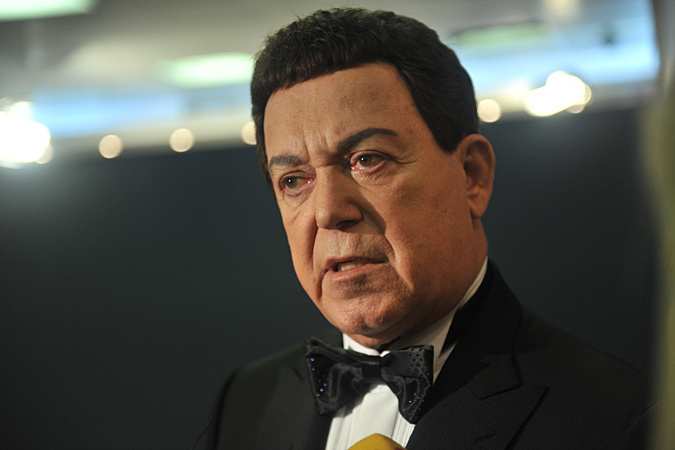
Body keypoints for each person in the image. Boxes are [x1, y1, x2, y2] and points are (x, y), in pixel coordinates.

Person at [194, 8, 652, 450]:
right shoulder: (246, 404)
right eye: (294, 180)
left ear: (472, 175)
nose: (329, 211)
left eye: (367, 160)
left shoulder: (619, 420)